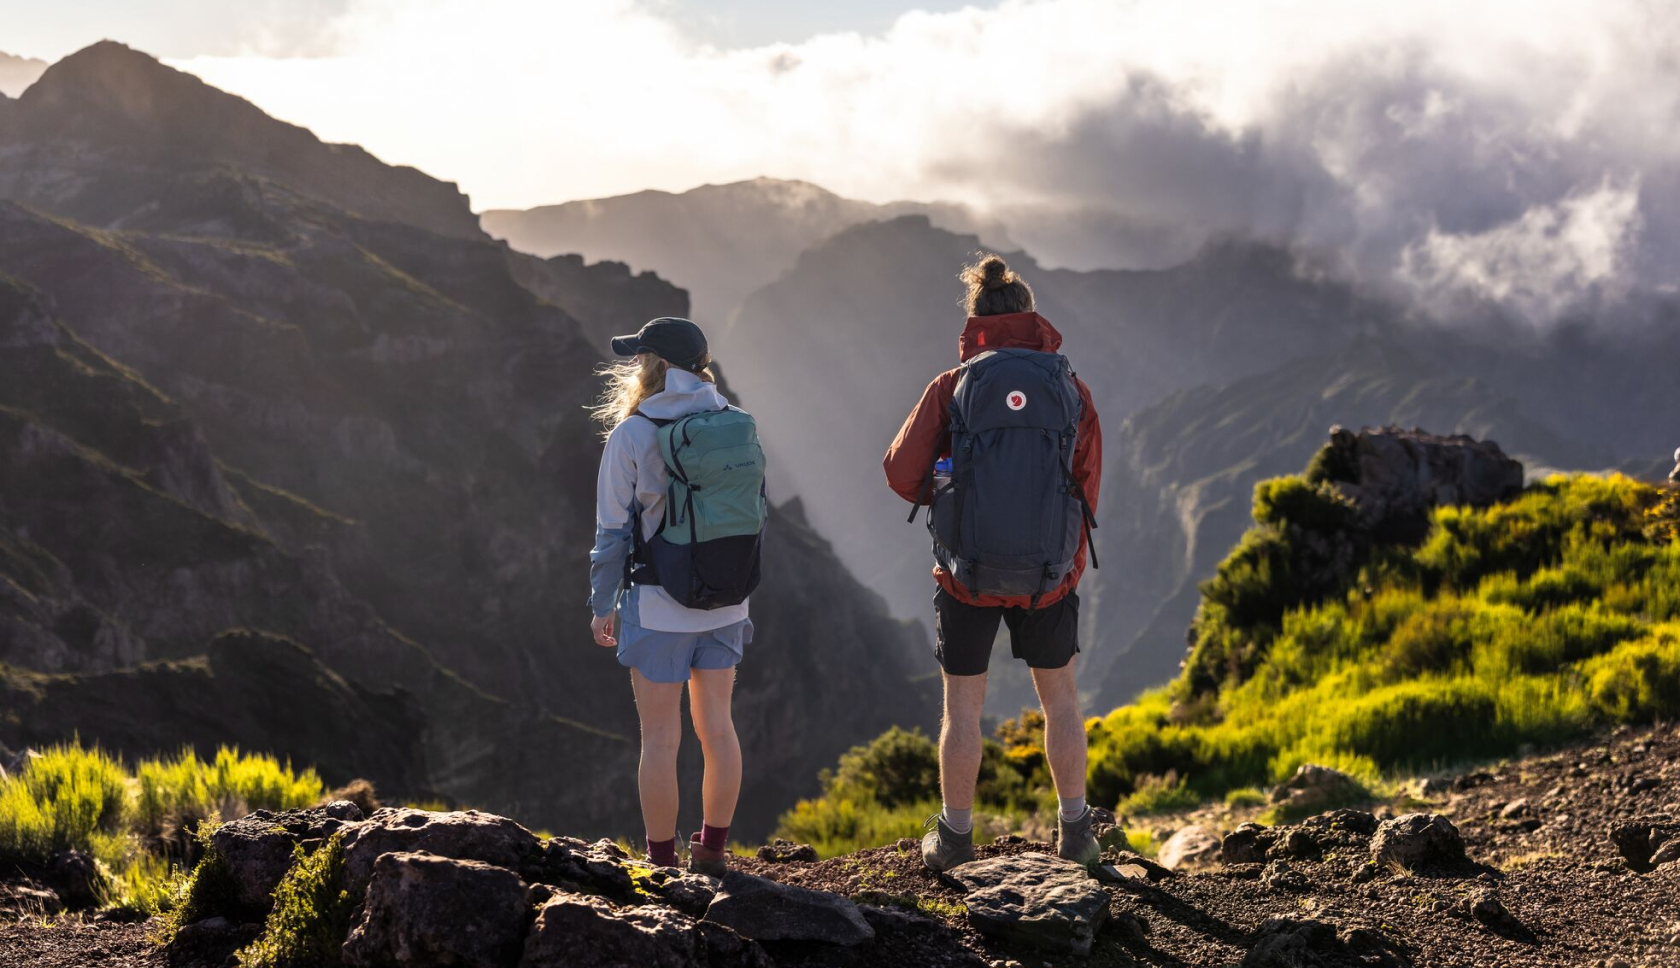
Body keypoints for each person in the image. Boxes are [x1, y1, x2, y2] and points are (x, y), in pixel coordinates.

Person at [883, 255, 1103, 871]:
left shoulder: (952, 386)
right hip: (1047, 580)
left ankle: (954, 838)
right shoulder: (1070, 389)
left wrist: (950, 494)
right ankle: (1076, 831)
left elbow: (900, 473)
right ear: (1032, 318)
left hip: (965, 573)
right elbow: (1086, 488)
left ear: (976, 320)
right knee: (1060, 703)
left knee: (962, 708)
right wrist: (1064, 568)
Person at [588, 317, 760, 877]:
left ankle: (661, 867)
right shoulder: (735, 421)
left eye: (640, 359)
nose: (635, 367)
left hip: (659, 607)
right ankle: (711, 853)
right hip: (729, 602)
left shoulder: (633, 434)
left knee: (661, 741)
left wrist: (601, 604)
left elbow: (611, 533)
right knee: (719, 729)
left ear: (658, 366)